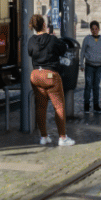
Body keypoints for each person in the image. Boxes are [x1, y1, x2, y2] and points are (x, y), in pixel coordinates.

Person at [27, 14, 74, 147]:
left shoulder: (31, 40)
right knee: (58, 106)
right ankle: (62, 137)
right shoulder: (52, 39)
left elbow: (30, 52)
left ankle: (44, 137)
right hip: (50, 75)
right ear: (44, 25)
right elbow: (63, 48)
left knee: (41, 107)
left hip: (36, 75)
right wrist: (53, 38)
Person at [80, 21, 101, 114]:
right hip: (89, 66)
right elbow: (82, 52)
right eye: (92, 29)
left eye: (96, 29)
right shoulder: (87, 39)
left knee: (96, 86)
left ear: (99, 29)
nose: (94, 31)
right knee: (88, 86)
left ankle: (96, 106)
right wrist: (81, 64)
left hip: (99, 67)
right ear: (90, 30)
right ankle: (86, 106)